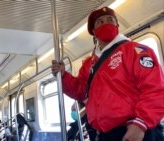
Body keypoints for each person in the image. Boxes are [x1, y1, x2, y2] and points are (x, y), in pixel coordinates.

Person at [52, 7, 164, 141]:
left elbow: (155, 89)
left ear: (117, 25)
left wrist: (141, 124)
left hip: (134, 130)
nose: (106, 23)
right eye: (100, 22)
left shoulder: (135, 51)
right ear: (94, 31)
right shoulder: (89, 64)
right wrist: (63, 76)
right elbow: (81, 91)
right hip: (102, 134)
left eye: (110, 20)